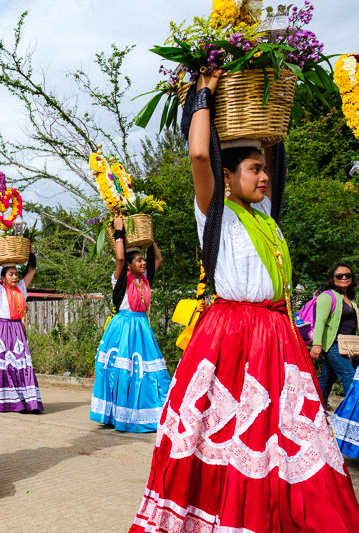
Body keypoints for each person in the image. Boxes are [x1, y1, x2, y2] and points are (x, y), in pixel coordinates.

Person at [130, 70, 359, 532]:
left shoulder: (266, 216)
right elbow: (199, 153)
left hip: (277, 336)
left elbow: (277, 153)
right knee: (228, 432)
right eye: (254, 169)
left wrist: (267, 95)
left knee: (291, 436)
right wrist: (203, 95)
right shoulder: (217, 211)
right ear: (227, 177)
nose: (265, 176)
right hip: (232, 335)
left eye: (264, 169)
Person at [90, 220, 169, 432]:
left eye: (143, 260)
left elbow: (158, 258)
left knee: (146, 371)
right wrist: (118, 232)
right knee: (122, 372)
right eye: (139, 260)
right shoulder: (120, 279)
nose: (143, 263)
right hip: (123, 327)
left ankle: (149, 412)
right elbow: (119, 257)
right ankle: (117, 414)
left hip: (142, 328)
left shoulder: (145, 279)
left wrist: (149, 238)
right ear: (129, 265)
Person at [0, 239, 42, 413]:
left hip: (17, 329)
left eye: (15, 274)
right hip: (2, 330)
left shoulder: (21, 287)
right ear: (3, 278)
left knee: (22, 364)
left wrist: (30, 252)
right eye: (10, 274)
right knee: (5, 364)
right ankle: (4, 401)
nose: (14, 277)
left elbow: (32, 270)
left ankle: (26, 401)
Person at [310, 262, 359, 409]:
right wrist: (317, 344)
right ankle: (353, 414)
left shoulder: (351, 301)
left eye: (347, 275)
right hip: (333, 346)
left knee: (326, 379)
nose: (344, 277)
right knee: (350, 377)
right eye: (339, 275)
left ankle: (317, 410)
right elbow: (320, 321)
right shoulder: (328, 296)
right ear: (333, 278)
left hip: (349, 346)